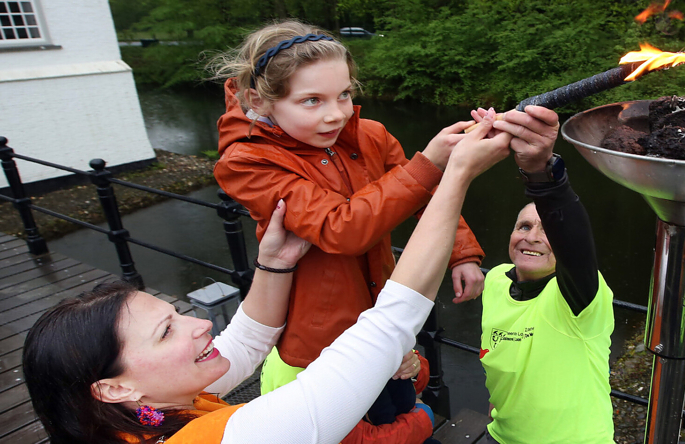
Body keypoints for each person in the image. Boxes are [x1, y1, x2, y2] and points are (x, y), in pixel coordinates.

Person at [21, 112, 513, 444]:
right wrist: (455, 176)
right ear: (113, 388)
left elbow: (250, 338)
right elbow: (387, 325)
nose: (199, 325)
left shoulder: (146, 414)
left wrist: (274, 261)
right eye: (166, 331)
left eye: (176, 314)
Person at [208, 21, 486, 442]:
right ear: (258, 100)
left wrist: (461, 252)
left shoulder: (370, 135)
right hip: (320, 344)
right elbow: (342, 229)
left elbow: (424, 197)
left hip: (384, 318)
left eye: (344, 94)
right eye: (311, 100)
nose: (336, 113)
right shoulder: (247, 162)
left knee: (398, 404)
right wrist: (429, 162)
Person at [471, 106, 616, 444]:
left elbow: (573, 241)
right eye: (523, 226)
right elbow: (499, 358)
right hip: (501, 436)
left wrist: (542, 174)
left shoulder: (579, 298)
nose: (533, 237)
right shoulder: (496, 279)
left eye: (546, 230)